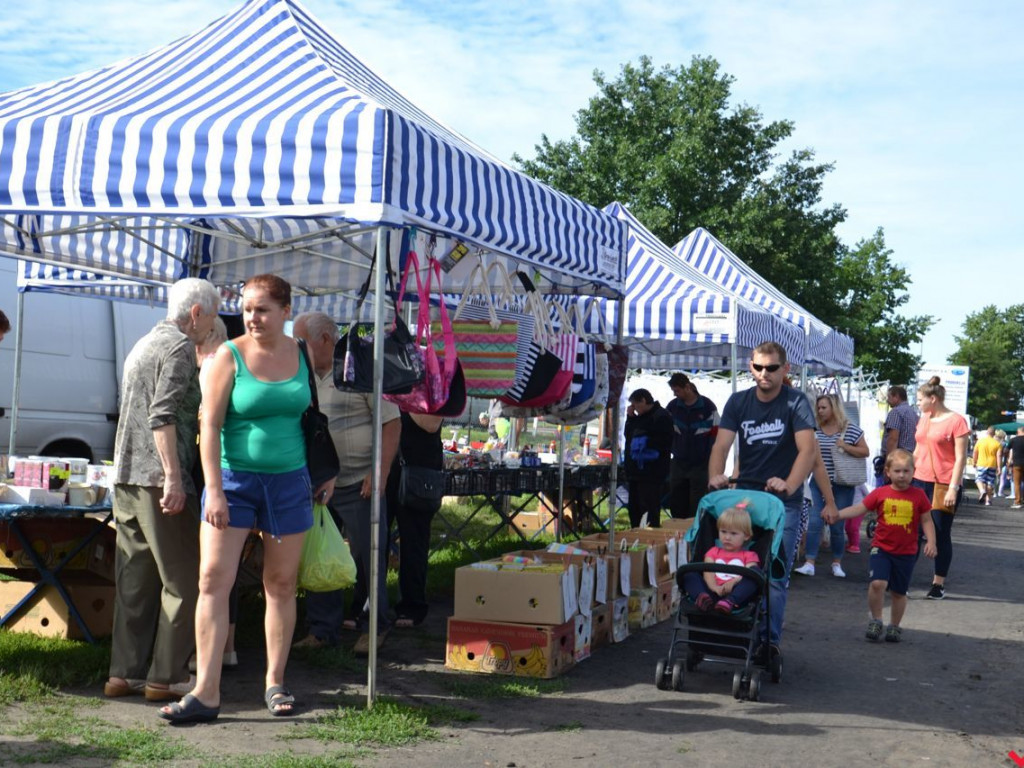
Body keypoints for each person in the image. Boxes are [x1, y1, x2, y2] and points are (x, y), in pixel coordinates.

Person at [160, 275, 326, 724]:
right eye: (248, 308)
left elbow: (307, 416)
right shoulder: (227, 356)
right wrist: (213, 488)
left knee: (281, 584)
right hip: (234, 481)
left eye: (263, 309)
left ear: (286, 311)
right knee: (213, 580)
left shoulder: (301, 353)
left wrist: (319, 474)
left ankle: (275, 682)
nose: (253, 317)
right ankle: (206, 691)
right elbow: (207, 427)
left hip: (289, 481)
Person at [104, 278, 220, 702]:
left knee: (135, 580)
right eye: (211, 316)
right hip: (157, 480)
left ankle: (124, 672)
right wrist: (173, 475)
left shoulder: (144, 342)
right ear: (196, 313)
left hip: (127, 475)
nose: (212, 325)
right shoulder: (178, 348)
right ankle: (166, 676)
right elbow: (162, 415)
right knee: (183, 579)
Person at [291, 311, 401, 655]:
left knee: (370, 557)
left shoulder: (359, 370)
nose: (297, 349)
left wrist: (378, 471)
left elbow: (391, 423)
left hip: (360, 482)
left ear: (325, 339)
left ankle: (376, 626)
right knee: (322, 554)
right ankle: (323, 629)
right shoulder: (303, 377)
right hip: (322, 483)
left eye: (302, 343)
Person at [708, 341, 821, 658]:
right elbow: (721, 446)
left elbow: (807, 451)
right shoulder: (738, 402)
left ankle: (769, 641)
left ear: (785, 370)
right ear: (750, 367)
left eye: (771, 368)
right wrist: (717, 477)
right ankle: (729, 626)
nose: (764, 374)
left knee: (773, 574)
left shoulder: (795, 402)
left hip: (783, 502)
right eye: (758, 367)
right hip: (745, 497)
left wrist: (788, 484)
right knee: (729, 563)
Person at [828, 449, 937, 642]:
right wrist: (838, 514)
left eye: (906, 471)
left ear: (913, 472)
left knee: (898, 592)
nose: (902, 475)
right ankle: (876, 620)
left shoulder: (919, 495)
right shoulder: (880, 493)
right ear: (887, 472)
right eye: (897, 471)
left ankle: (894, 626)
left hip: (907, 552)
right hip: (882, 548)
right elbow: (859, 508)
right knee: (877, 583)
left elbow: (927, 520)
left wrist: (931, 541)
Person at [794, 394, 869, 578]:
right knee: (814, 521)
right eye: (818, 407)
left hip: (842, 483)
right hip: (818, 483)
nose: (819, 411)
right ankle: (809, 562)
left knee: (837, 524)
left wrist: (846, 446)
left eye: (823, 407)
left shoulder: (850, 430)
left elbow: (865, 451)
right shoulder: (815, 430)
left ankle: (837, 562)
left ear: (834, 408)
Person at [912, 376, 969, 601]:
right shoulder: (924, 418)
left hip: (943, 484)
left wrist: (954, 488)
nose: (917, 403)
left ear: (932, 399)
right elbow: (918, 449)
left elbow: (961, 458)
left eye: (919, 399)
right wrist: (904, 474)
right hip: (918, 480)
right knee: (913, 532)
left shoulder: (957, 421)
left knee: (940, 533)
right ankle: (902, 578)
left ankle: (938, 584)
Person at [386, 410, 444, 627]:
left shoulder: (433, 382)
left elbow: (431, 424)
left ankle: (411, 606)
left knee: (414, 540)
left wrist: (400, 396)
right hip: (384, 466)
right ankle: (369, 605)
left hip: (418, 469)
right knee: (374, 538)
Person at [682, 503, 761, 613]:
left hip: (737, 595)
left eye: (734, 533)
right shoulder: (713, 552)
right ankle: (702, 598)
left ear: (746, 536)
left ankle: (730, 601)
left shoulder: (749, 555)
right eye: (723, 532)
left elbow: (751, 573)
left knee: (755, 574)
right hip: (712, 593)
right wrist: (715, 588)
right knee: (689, 572)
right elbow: (708, 574)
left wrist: (733, 582)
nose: (727, 537)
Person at [665, 372, 719, 519]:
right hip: (678, 462)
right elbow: (665, 431)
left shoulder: (708, 407)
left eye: (677, 390)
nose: (675, 394)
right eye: (673, 391)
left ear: (687, 387)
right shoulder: (672, 407)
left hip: (701, 463)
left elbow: (716, 434)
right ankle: (676, 534)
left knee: (697, 501)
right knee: (676, 499)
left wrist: (709, 457)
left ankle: (696, 533)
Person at [623, 388, 674, 528]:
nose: (635, 409)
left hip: (651, 472)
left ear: (644, 401)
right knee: (634, 508)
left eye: (636, 405)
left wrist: (644, 441)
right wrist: (630, 418)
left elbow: (664, 442)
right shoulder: (638, 417)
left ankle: (650, 538)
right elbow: (628, 436)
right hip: (634, 471)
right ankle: (635, 534)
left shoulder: (661, 416)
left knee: (648, 509)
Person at [877, 386, 918, 486]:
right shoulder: (913, 413)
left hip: (896, 461)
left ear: (897, 397)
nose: (887, 400)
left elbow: (892, 439)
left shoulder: (896, 412)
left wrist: (888, 465)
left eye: (889, 397)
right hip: (909, 460)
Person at [972, 426, 1002, 505]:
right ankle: (988, 500)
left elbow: (975, 452)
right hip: (992, 464)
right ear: (994, 434)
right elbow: (999, 456)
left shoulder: (980, 441)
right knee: (990, 482)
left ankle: (982, 491)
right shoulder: (997, 444)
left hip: (981, 463)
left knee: (979, 479)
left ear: (987, 432)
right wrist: (999, 467)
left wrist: (974, 462)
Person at [1008, 427, 1024, 509]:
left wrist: (1008, 461)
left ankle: (1017, 502)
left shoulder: (1014, 440)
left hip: (1017, 464)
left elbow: (1006, 450)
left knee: (1017, 483)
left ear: (1019, 432)